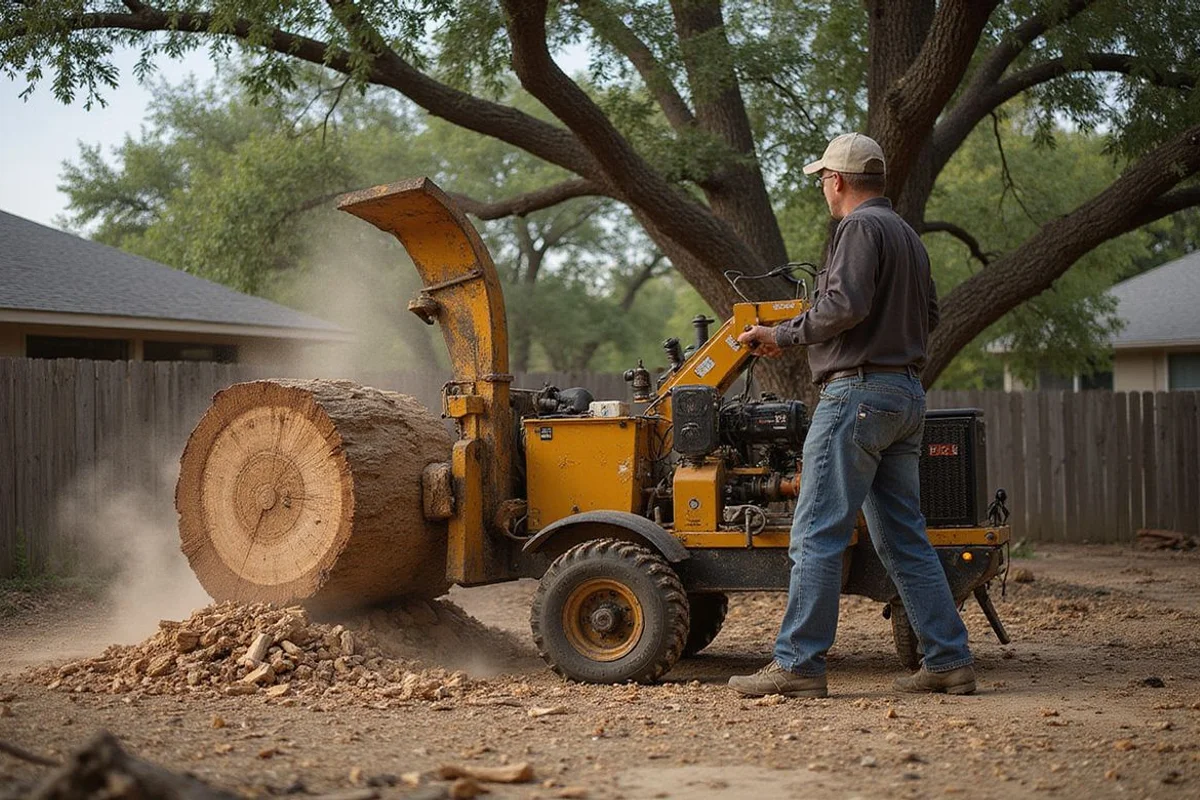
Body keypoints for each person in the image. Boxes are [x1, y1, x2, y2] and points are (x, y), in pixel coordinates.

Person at [728, 133, 975, 698]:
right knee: (902, 539)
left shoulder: (858, 228)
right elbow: (929, 311)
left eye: (822, 179)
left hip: (857, 397)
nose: (822, 187)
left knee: (816, 531)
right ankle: (947, 659)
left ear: (836, 181)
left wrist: (782, 334)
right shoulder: (908, 235)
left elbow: (844, 306)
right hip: (906, 397)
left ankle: (799, 665)